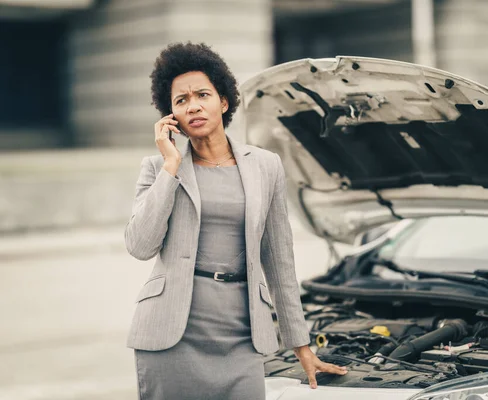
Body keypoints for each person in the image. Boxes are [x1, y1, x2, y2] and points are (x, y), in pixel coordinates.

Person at [124, 42, 347, 400]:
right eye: (180, 101)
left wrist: (300, 343)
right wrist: (170, 167)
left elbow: (279, 260)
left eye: (202, 95)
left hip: (242, 333)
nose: (193, 105)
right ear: (171, 117)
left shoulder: (265, 165)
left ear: (224, 101)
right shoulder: (158, 167)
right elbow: (140, 245)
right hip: (172, 335)